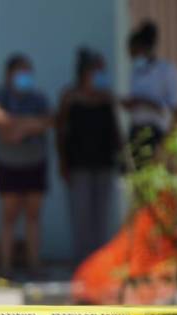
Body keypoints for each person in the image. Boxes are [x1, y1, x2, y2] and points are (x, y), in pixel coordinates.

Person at [0, 54, 54, 278]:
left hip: (35, 162)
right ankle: (6, 265)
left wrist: (18, 126)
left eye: (28, 71)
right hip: (8, 163)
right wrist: (28, 124)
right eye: (21, 71)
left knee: (33, 216)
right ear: (9, 74)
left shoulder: (38, 98)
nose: (25, 76)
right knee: (9, 216)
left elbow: (48, 121)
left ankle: (34, 264)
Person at [56, 48, 123, 267]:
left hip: (104, 164)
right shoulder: (69, 97)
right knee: (82, 218)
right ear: (85, 72)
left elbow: (116, 131)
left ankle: (101, 265)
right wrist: (63, 162)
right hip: (79, 166)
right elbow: (60, 130)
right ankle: (84, 265)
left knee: (102, 219)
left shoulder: (107, 98)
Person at [123, 20, 177, 165]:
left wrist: (146, 102)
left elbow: (175, 106)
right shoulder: (135, 73)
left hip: (158, 134)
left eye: (135, 50)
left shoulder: (167, 71)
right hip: (136, 131)